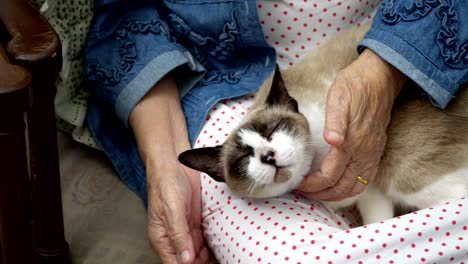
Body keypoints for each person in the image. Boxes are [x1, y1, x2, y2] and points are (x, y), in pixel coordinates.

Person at [84, 1, 468, 263]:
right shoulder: (241, 162)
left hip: (398, 43)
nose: (265, 156)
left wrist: (384, 70)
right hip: (224, 91)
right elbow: (123, 21)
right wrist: (165, 162)